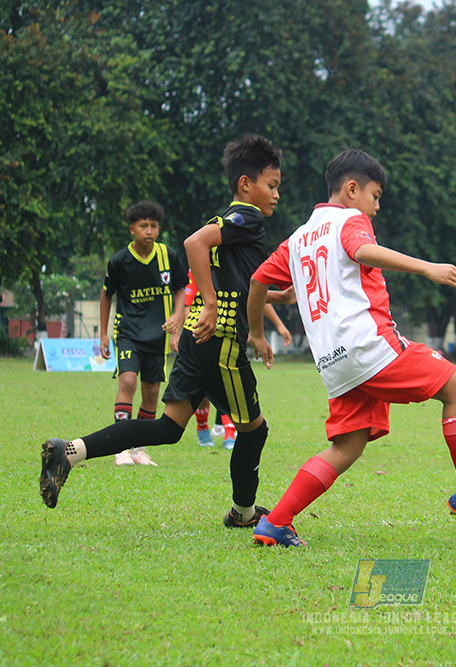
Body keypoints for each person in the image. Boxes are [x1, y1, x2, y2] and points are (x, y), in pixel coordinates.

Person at [246, 149, 456, 547]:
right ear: (352, 189)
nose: (376, 206)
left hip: (334, 364)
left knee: (348, 445)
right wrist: (426, 267)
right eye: (375, 195)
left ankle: (275, 523)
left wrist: (257, 332)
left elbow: (258, 282)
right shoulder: (350, 220)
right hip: (370, 347)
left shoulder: (298, 238)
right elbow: (361, 250)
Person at [40, 134, 287, 529]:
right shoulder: (248, 217)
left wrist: (280, 298)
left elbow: (238, 283)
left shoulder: (227, 219)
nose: (276, 195)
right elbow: (193, 244)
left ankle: (68, 451)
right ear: (245, 184)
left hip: (195, 337)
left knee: (168, 428)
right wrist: (208, 302)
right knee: (254, 431)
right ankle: (243, 513)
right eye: (271, 185)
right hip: (220, 339)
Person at [99, 200, 187, 467]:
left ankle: (139, 448)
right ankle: (120, 447)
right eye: (143, 226)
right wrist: (103, 334)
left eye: (154, 226)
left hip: (157, 336)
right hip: (127, 333)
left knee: (151, 393)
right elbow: (106, 296)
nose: (149, 230)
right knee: (127, 382)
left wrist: (177, 317)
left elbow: (181, 288)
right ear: (132, 230)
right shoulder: (119, 261)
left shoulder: (168, 255)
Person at [178, 269, 293, 449]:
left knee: (228, 387)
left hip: (231, 338)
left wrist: (277, 324)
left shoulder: (242, 265)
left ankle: (230, 433)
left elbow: (256, 294)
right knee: (201, 394)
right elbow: (188, 303)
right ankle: (202, 427)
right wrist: (190, 335)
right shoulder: (202, 267)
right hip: (203, 337)